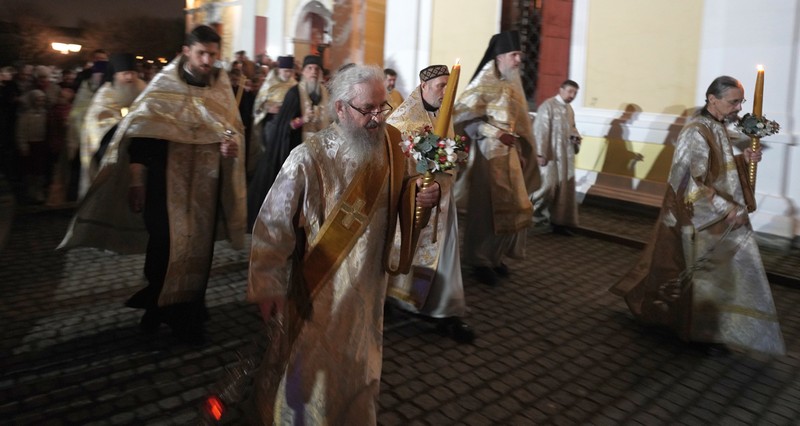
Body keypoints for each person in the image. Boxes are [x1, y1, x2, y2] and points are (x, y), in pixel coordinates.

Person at [247, 64, 440, 424]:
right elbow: (273, 224)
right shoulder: (309, 156)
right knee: (314, 362)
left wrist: (421, 197)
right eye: (367, 109)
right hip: (322, 286)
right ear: (340, 108)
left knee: (363, 360)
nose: (377, 118)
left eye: (382, 107)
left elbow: (405, 192)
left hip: (370, 282)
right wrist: (267, 284)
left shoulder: (393, 145)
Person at [59, 25, 246, 345]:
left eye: (213, 54)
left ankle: (189, 316)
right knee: (164, 248)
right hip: (163, 185)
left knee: (199, 252)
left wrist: (231, 148)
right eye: (201, 53)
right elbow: (142, 139)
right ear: (186, 51)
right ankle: (160, 305)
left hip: (205, 185)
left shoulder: (222, 88)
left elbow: (231, 133)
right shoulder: (163, 86)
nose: (207, 60)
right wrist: (137, 182)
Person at [610, 76, 785, 355]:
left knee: (717, 274)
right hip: (700, 217)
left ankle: (709, 328)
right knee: (701, 275)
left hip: (720, 215)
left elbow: (719, 169)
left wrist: (742, 161)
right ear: (712, 99)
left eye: (741, 101)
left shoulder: (716, 126)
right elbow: (689, 180)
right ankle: (698, 333)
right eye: (734, 102)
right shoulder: (696, 132)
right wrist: (728, 209)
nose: (739, 108)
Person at [385, 64, 474, 343]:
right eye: (440, 86)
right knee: (404, 250)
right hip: (412, 202)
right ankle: (395, 299)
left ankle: (444, 310)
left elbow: (450, 159)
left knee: (445, 256)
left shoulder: (444, 116)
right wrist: (418, 186)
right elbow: (393, 168)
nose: (446, 91)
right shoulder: (401, 121)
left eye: (449, 86)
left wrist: (447, 170)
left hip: (443, 203)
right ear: (423, 86)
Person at [453, 30, 539, 286]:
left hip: (509, 154)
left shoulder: (512, 83)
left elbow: (517, 124)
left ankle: (495, 256)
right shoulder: (483, 82)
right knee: (485, 209)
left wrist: (519, 150)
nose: (518, 60)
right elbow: (465, 120)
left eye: (519, 55)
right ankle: (478, 259)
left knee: (511, 206)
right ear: (500, 56)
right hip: (487, 155)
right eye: (514, 55)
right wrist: (496, 133)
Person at [246, 55, 330, 231]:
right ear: (303, 72)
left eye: (317, 69)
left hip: (320, 154)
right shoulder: (294, 93)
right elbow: (284, 127)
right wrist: (302, 120)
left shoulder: (325, 94)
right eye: (310, 68)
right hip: (296, 152)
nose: (314, 72)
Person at [78, 53, 146, 198]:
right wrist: (126, 123)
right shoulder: (105, 94)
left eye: (133, 73)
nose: (130, 77)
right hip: (112, 149)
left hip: (140, 149)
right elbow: (98, 124)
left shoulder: (143, 89)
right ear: (115, 75)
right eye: (125, 73)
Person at [531, 79, 582, 235]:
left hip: (565, 157)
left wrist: (575, 137)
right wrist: (540, 153)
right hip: (550, 155)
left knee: (563, 190)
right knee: (546, 187)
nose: (572, 95)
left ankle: (559, 222)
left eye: (575, 93)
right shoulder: (547, 106)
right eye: (570, 91)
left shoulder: (569, 109)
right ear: (561, 89)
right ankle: (531, 219)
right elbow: (540, 130)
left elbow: (573, 128)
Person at [249, 56, 297, 177]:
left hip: (288, 125)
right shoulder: (269, 84)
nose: (288, 74)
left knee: (284, 152)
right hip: (272, 123)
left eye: (290, 71)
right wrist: (268, 108)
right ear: (279, 70)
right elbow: (258, 104)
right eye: (285, 71)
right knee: (270, 152)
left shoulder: (294, 84)